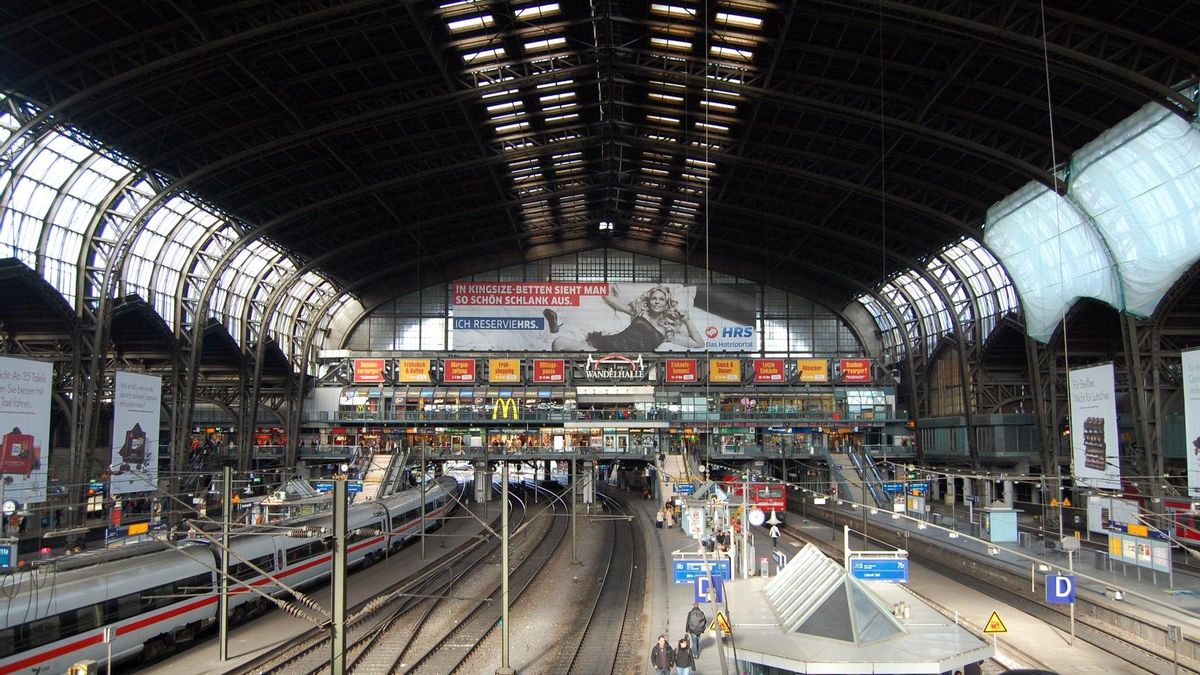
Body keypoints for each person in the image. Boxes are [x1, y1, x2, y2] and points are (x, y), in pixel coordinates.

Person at [549, 284, 704, 351]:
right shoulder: (638, 312)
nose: (657, 301)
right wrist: (606, 276)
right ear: (649, 301)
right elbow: (608, 296)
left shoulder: (667, 332)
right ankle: (557, 324)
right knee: (558, 343)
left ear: (666, 303)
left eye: (661, 299)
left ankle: (557, 325)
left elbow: (699, 343)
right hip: (604, 345)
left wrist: (687, 320)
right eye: (654, 298)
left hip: (620, 358)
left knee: (561, 344)